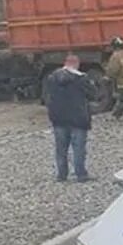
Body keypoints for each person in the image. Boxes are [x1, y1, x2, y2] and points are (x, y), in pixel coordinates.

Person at [44, 53, 95, 182]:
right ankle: (81, 174)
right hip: (78, 119)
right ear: (77, 64)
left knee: (61, 149)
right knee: (78, 149)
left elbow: (47, 97)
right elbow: (92, 94)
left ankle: (61, 175)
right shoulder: (82, 79)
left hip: (59, 119)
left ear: (65, 63)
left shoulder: (52, 78)